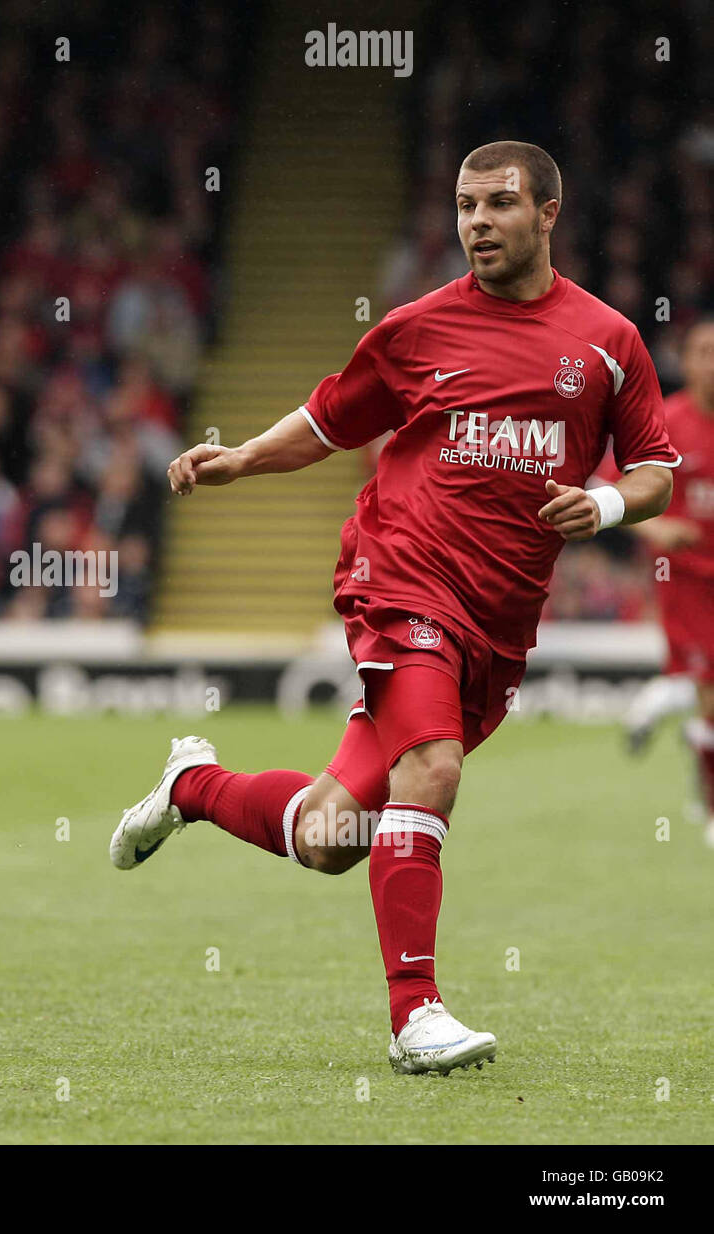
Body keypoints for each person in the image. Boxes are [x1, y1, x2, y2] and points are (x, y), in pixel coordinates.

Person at [109, 141, 679, 1074]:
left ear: (548, 214)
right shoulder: (419, 329)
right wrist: (240, 457)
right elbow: (332, 419)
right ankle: (417, 1016)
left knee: (331, 836)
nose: (478, 223)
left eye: (499, 204)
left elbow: (657, 471)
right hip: (402, 576)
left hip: (500, 620)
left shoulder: (608, 343)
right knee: (435, 769)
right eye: (464, 206)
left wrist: (608, 503)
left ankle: (190, 786)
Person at [626, 318, 714, 846]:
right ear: (686, 359)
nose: (712, 361)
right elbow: (622, 491)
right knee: (709, 694)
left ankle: (665, 704)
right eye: (702, 351)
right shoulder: (669, 421)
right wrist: (661, 528)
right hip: (688, 585)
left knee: (705, 698)